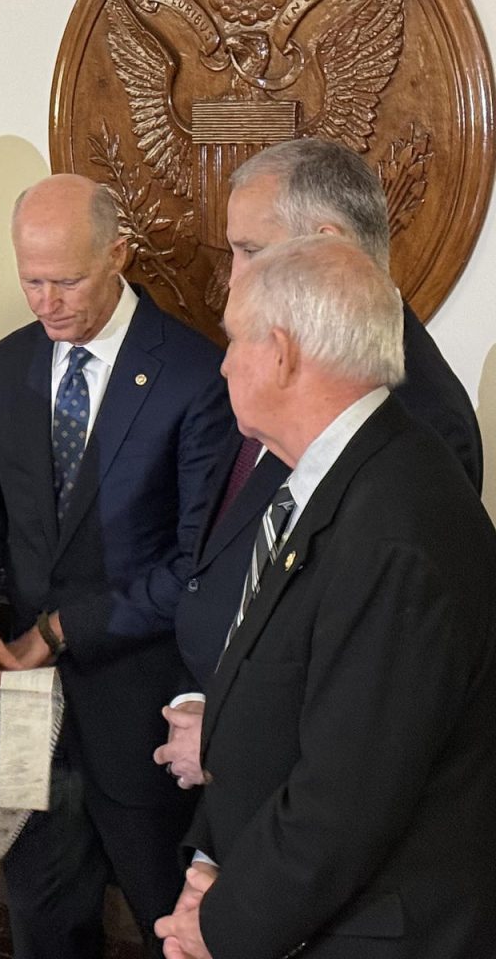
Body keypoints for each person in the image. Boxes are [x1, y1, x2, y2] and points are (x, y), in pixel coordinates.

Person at [154, 235, 496, 959]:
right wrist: (212, 859)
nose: (221, 363)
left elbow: (345, 799)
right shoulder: (340, 476)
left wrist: (219, 926)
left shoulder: (396, 526)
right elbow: (277, 697)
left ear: (279, 352)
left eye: (233, 340)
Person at [0, 175, 232, 957]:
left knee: (165, 921)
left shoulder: (194, 375)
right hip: (31, 709)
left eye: (66, 280)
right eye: (31, 280)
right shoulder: (7, 367)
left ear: (119, 254)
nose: (46, 302)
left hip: (140, 710)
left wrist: (63, 629)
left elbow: (195, 565)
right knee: (42, 920)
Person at [158, 136, 485, 788]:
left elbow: (372, 687)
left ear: (327, 242)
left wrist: (228, 739)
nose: (234, 274)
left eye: (249, 250)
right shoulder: (268, 357)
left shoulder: (420, 414)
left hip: (292, 789)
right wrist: (200, 699)